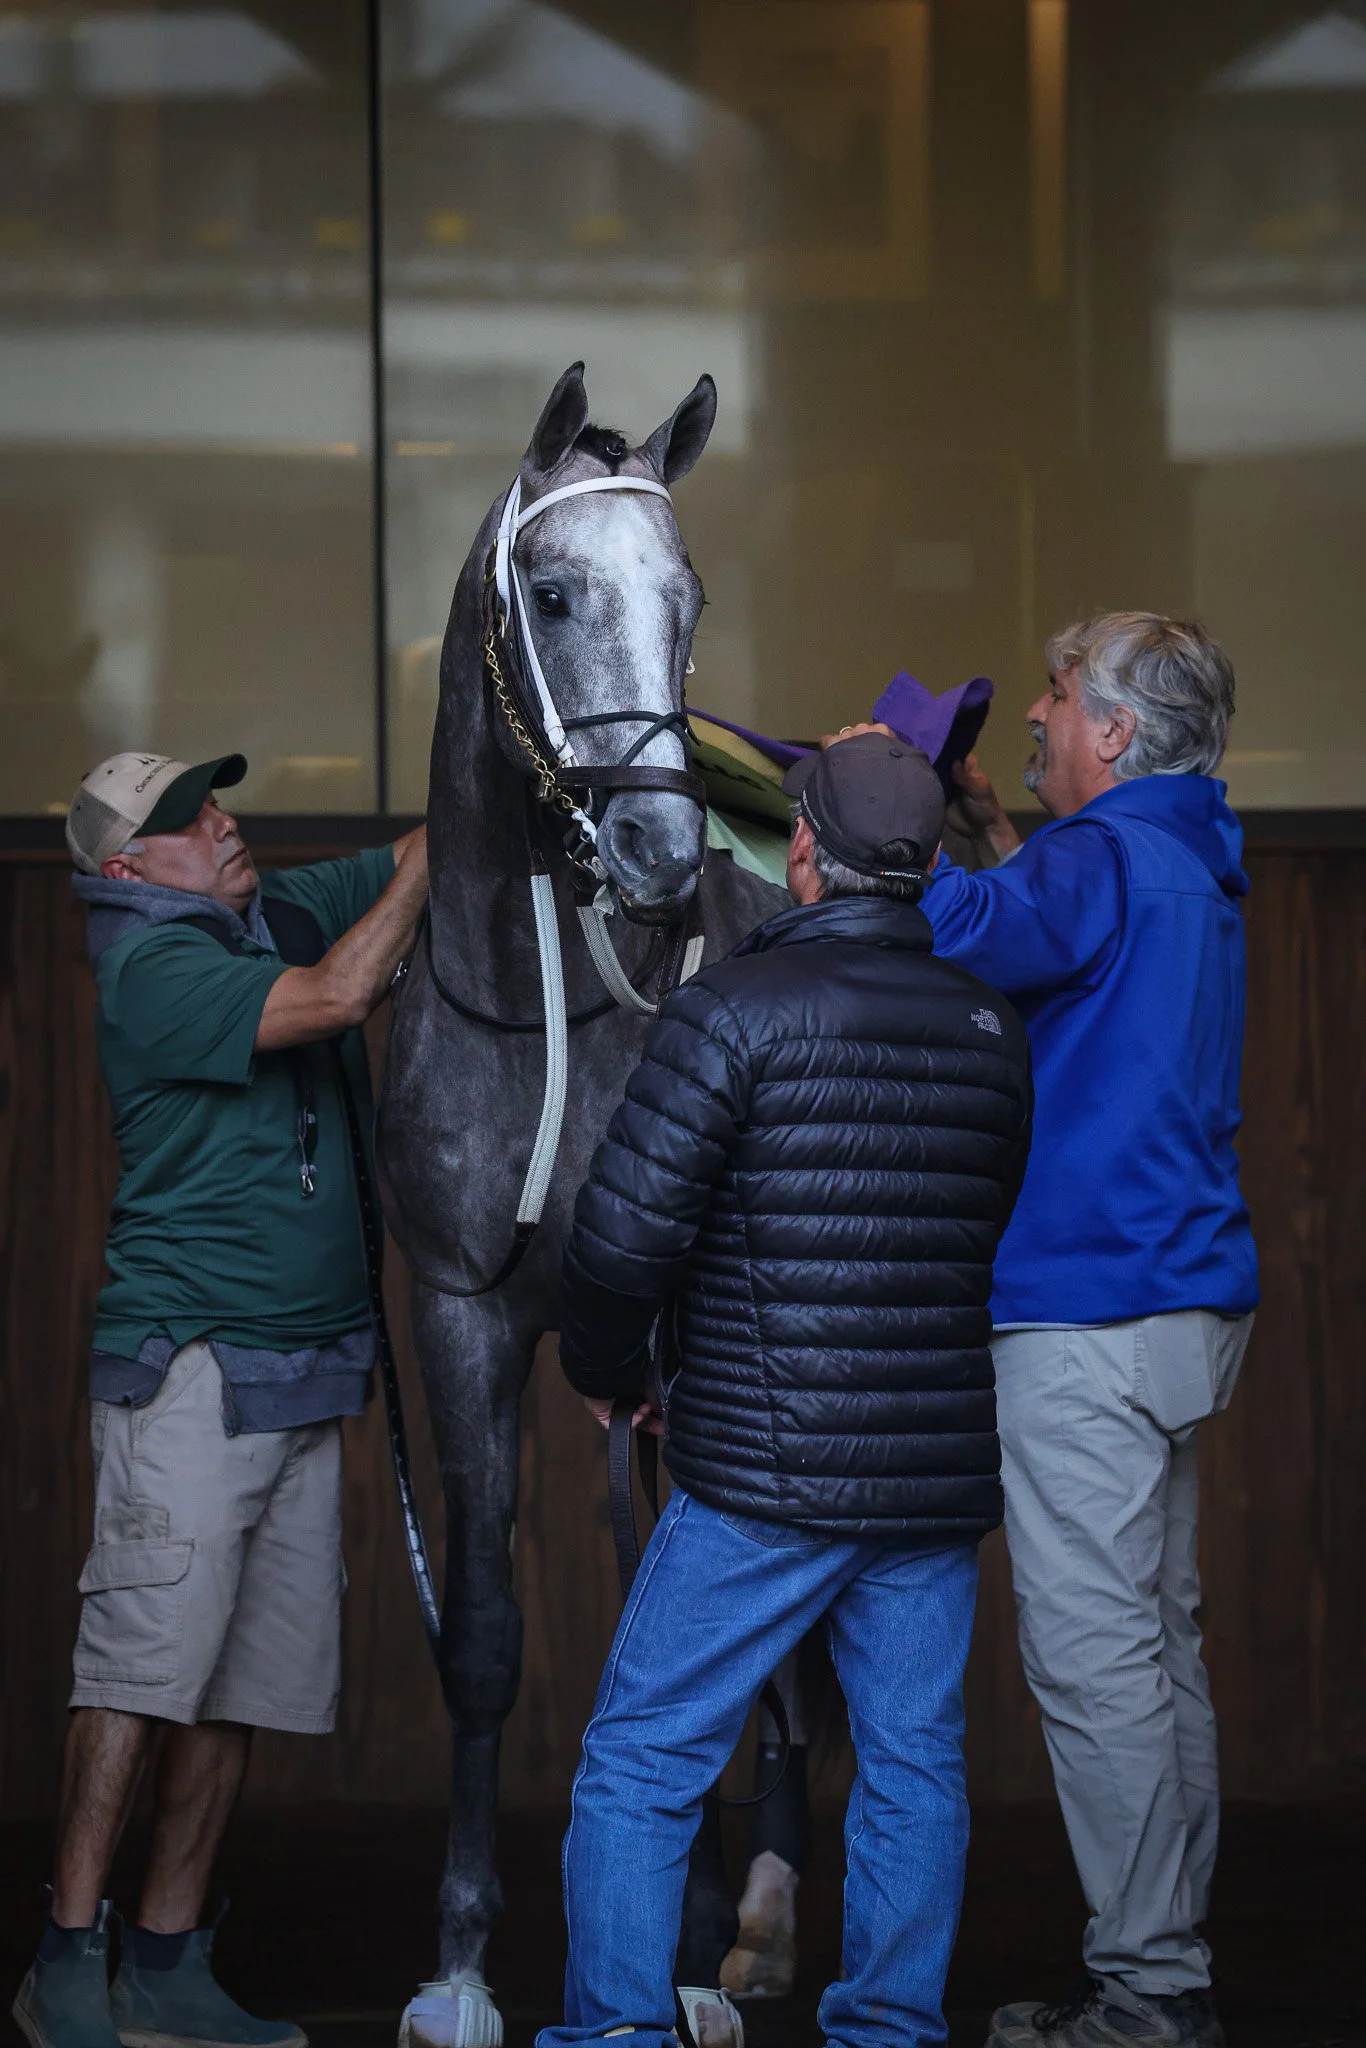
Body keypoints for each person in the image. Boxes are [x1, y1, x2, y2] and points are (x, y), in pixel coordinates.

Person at [539, 733, 1033, 2048]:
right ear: (920, 865)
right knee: (914, 1770)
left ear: (802, 850)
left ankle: (614, 2037)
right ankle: (888, 2033)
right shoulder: (991, 1027)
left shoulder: (731, 1012)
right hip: (928, 1476)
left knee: (643, 1757)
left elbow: (621, 1241)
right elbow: (973, 1229)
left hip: (764, 1468)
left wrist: (612, 1374)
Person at [13, 752, 428, 2048]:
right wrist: (433, 860)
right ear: (127, 867)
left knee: (238, 1689)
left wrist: (489, 783)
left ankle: (168, 1961)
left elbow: (417, 849)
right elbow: (343, 993)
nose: (222, 821)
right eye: (186, 819)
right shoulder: (151, 966)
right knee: (139, 1677)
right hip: (191, 1372)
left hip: (299, 1374)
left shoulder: (270, 910)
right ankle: (65, 1963)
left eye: (216, 799)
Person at [907, 613, 1256, 2048]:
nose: (1039, 718)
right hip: (1178, 1300)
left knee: (1095, 1657)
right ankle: (1165, 1961)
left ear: (1112, 732)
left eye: (1057, 697)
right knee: (1157, 1644)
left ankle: (1148, 1989)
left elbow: (957, 933)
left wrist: (879, 798)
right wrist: (995, 830)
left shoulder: (1099, 857)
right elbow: (1065, 946)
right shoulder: (1179, 857)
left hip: (1084, 1311)